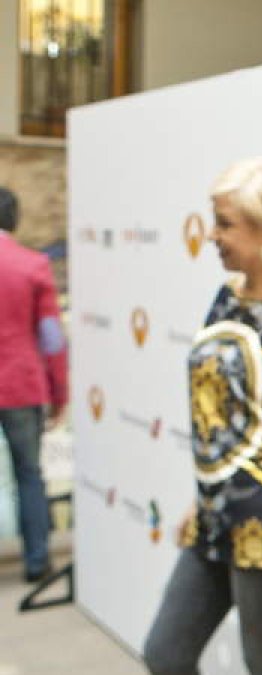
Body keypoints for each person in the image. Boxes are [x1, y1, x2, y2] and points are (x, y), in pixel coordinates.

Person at [143, 158, 262, 675]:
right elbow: (224, 411)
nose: (212, 236)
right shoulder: (228, 296)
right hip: (214, 514)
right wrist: (203, 492)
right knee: (165, 654)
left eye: (226, 223)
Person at [0, 186, 67, 584]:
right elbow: (52, 338)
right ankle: (37, 560)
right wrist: (60, 391)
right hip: (21, 385)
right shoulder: (31, 265)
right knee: (29, 473)